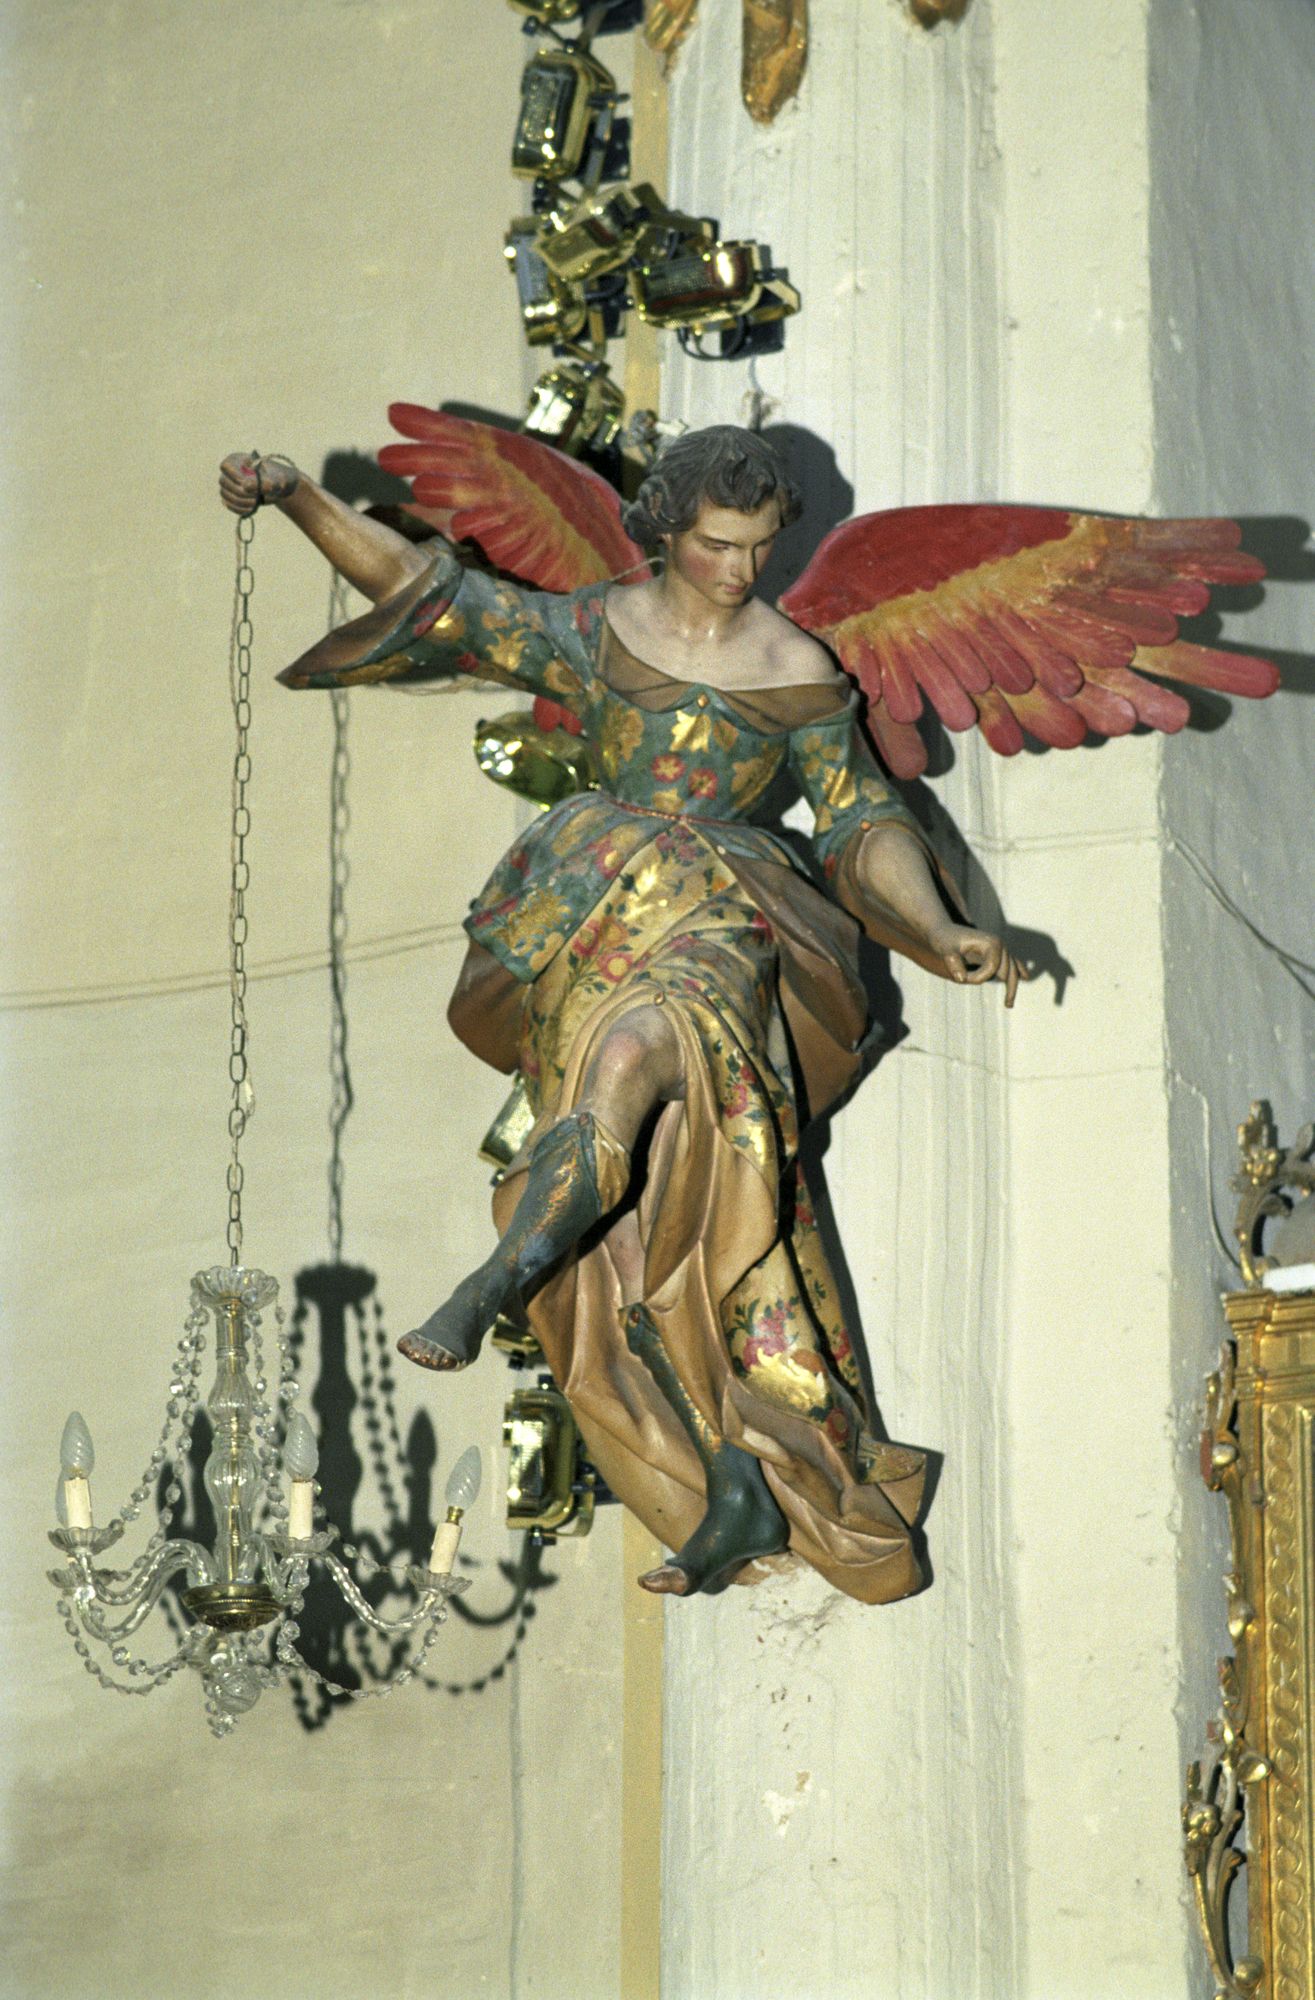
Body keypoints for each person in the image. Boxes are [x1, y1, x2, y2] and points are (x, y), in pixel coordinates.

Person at [219, 427, 1025, 1602]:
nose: (738, 570)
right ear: (665, 529)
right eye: (715, 544)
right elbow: (431, 595)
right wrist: (296, 495)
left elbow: (859, 817)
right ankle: (732, 1473)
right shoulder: (598, 630)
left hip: (724, 914)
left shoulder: (795, 666)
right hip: (589, 914)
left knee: (643, 1063)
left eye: (757, 548)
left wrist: (938, 926)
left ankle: (492, 1279)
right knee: (643, 1229)